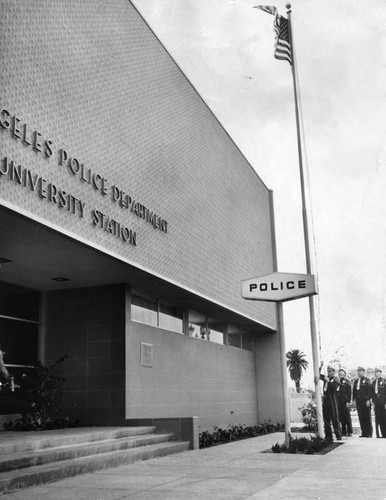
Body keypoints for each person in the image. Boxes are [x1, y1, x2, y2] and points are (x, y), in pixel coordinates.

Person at [316, 363, 342, 442]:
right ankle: (328, 436)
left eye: (331, 371)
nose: (329, 373)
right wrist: (320, 367)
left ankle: (338, 435)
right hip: (326, 399)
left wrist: (329, 382)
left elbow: (334, 387)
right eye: (328, 371)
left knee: (334, 418)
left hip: (332, 399)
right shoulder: (325, 378)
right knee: (326, 418)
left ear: (334, 372)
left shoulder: (336, 379)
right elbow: (319, 375)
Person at [352, 366, 373, 437]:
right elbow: (354, 391)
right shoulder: (356, 381)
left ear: (363, 372)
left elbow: (370, 390)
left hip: (365, 401)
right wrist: (354, 400)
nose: (359, 372)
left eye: (360, 371)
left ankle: (369, 433)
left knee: (367, 417)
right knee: (361, 417)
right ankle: (364, 432)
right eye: (358, 371)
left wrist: (368, 399)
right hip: (359, 401)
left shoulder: (367, 380)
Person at [337, 368, 353, 437]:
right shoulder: (337, 382)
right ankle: (343, 431)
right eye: (339, 374)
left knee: (347, 416)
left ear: (345, 374)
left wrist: (348, 401)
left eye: (342, 374)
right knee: (341, 417)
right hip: (339, 402)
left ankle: (349, 431)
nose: (341, 375)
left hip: (345, 401)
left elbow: (349, 392)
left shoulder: (347, 381)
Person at [371, 367, 386, 438]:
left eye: (377, 372)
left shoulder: (384, 381)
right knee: (378, 418)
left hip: (383, 402)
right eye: (375, 372)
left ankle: (384, 433)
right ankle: (378, 433)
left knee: (384, 418)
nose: (375, 373)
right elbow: (372, 393)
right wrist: (373, 402)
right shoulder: (374, 382)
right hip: (376, 402)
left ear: (380, 372)